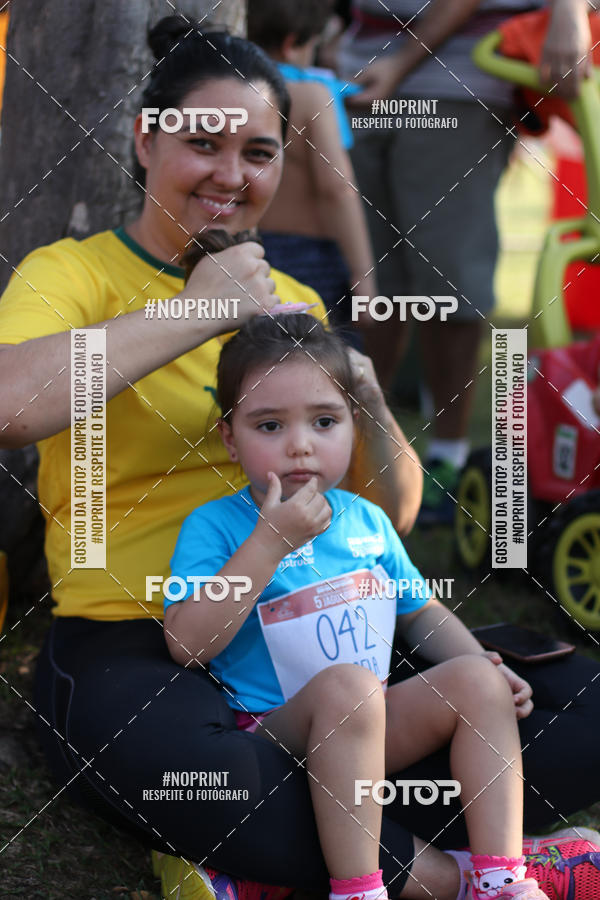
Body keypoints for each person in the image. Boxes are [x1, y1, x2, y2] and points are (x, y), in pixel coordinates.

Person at [0, 13, 597, 900]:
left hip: (322, 630)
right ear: (144, 136)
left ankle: (298, 852)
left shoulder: (296, 300)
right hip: (142, 642)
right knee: (204, 781)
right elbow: (13, 405)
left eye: (259, 152)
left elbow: (384, 515)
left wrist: (360, 390)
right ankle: (453, 872)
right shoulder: (75, 273)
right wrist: (195, 311)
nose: (230, 176)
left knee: (575, 708)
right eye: (204, 143)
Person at [163, 303, 577, 900]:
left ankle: (500, 878)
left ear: (354, 426)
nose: (300, 447)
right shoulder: (219, 527)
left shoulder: (368, 521)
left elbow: (420, 611)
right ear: (231, 438)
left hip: (367, 732)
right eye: (270, 426)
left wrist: (488, 665)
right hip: (269, 741)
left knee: (476, 678)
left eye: (325, 422)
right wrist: (267, 545)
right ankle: (358, 889)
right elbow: (186, 644)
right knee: (349, 686)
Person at [337, 0, 593, 524]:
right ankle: (360, 452)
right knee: (371, 284)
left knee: (448, 282)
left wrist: (403, 60)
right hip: (360, 66)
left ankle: (447, 463)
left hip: (455, 78)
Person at [247, 0, 377, 337]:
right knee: (328, 364)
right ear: (292, 44)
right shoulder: (311, 96)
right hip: (311, 260)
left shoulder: (227, 90)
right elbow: (337, 189)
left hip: (248, 249)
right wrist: (364, 278)